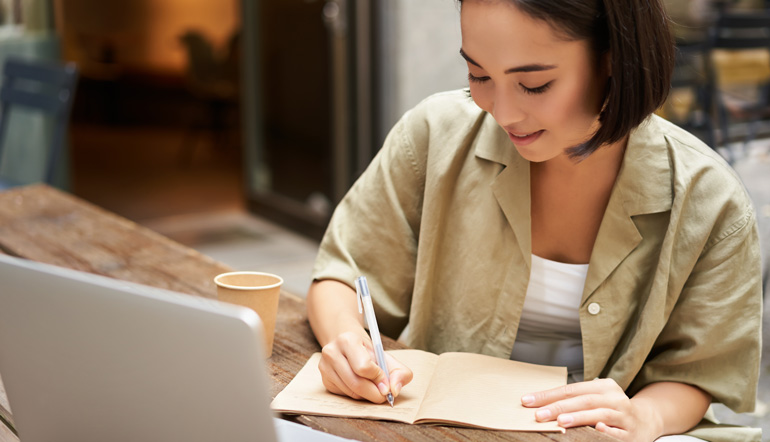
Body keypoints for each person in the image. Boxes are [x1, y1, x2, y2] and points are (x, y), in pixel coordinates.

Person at [305, 1, 764, 441]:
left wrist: (643, 416)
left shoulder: (708, 201)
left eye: (535, 84)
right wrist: (348, 345)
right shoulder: (433, 137)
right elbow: (342, 276)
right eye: (478, 74)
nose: (502, 112)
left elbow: (699, 372)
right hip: (442, 427)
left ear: (612, 58)